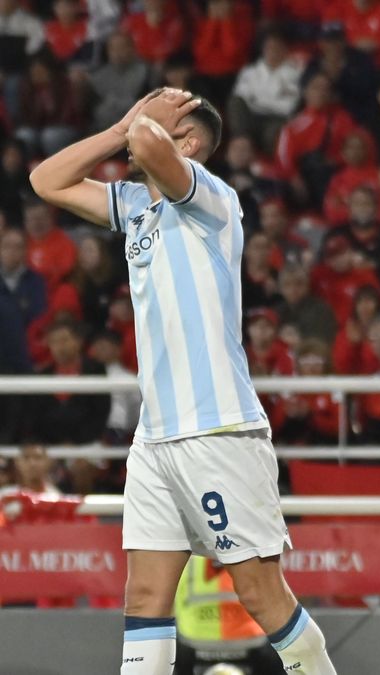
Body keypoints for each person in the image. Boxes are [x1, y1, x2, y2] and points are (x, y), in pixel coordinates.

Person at [29, 87, 337, 674]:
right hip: (155, 439)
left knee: (260, 594)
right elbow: (47, 180)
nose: (138, 128)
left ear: (187, 142)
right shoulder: (136, 206)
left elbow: (148, 141)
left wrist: (144, 125)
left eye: (154, 122)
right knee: (144, 597)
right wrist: (126, 124)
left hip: (217, 429)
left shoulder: (212, 199)